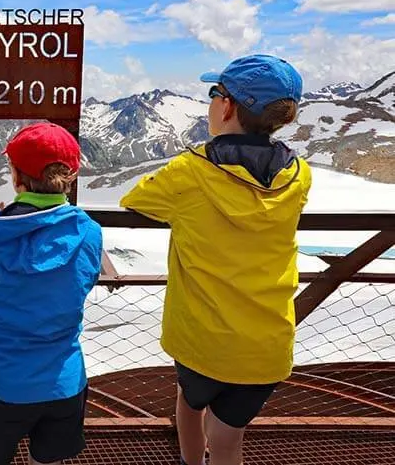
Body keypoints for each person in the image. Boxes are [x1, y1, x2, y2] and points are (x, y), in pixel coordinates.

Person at [120, 55, 312, 465]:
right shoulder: (299, 174)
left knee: (190, 403)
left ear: (226, 107)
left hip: (201, 339)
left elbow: (135, 199)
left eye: (214, 93)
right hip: (267, 343)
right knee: (228, 437)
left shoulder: (189, 171)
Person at [0, 121, 102, 465]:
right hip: (66, 383)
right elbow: (83, 281)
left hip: (7, 386)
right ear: (71, 175)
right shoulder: (90, 231)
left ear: (16, 176)